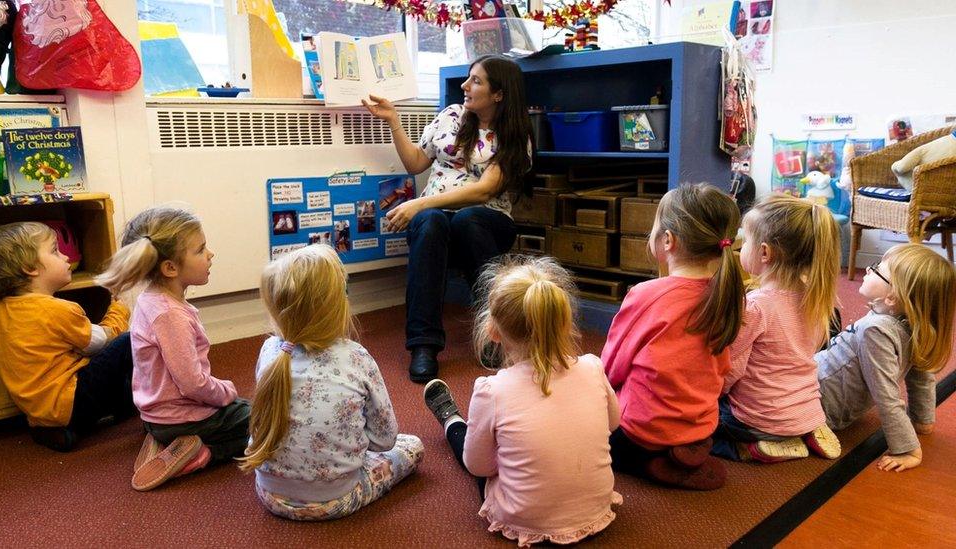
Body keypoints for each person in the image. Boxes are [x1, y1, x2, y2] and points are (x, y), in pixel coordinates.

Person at [423, 255, 621, 545]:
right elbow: (613, 423)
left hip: (523, 517)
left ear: (492, 331)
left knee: (469, 443)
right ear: (565, 322)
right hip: (594, 510)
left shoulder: (491, 390)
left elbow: (479, 467)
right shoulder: (593, 366)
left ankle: (451, 419)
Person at [362, 54, 532, 382]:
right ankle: (423, 345)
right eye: (468, 78)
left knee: (464, 219)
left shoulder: (513, 135)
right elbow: (415, 163)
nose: (465, 86)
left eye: (477, 81)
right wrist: (394, 120)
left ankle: (494, 329)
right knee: (432, 223)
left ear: (498, 94)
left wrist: (420, 204)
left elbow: (484, 192)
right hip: (435, 221)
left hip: (487, 222)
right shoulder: (451, 116)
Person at [241, 245, 423, 520]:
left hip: (269, 495)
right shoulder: (356, 356)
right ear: (338, 305)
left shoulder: (271, 350)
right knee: (412, 446)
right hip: (337, 499)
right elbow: (385, 439)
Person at [601, 184, 744, 490]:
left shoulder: (646, 295)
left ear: (668, 240)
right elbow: (721, 368)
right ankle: (687, 449)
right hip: (701, 423)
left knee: (588, 428)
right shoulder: (727, 293)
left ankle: (645, 460)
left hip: (641, 429)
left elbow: (611, 368)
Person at [96, 207, 250, 491]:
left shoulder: (148, 300)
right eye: (201, 249)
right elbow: (193, 384)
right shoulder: (171, 316)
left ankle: (163, 441)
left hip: (153, 416)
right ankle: (201, 454)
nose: (210, 254)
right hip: (181, 419)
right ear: (170, 268)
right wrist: (225, 392)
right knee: (262, 422)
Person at [0, 222, 133, 452]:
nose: (65, 257)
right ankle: (122, 408)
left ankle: (54, 430)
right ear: (29, 267)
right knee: (129, 342)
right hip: (71, 401)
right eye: (55, 250)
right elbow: (100, 342)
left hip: (37, 411)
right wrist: (119, 311)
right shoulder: (57, 310)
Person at [715, 194, 842, 462]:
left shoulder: (755, 307)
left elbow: (730, 370)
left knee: (700, 424)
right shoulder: (817, 298)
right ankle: (804, 433)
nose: (741, 246)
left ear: (764, 252)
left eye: (745, 240)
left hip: (758, 420)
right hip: (806, 411)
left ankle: (749, 449)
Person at [818, 243, 955, 472]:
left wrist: (908, 449)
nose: (869, 270)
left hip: (816, 403)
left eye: (877, 268)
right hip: (826, 396)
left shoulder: (876, 330)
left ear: (892, 298)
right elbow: (921, 377)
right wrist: (923, 421)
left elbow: (886, 394)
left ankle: (794, 434)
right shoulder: (915, 327)